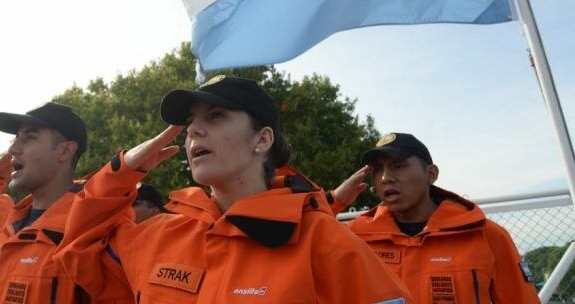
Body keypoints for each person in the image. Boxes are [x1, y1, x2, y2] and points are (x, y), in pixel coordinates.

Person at [57, 75, 412, 303]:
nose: (194, 131)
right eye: (191, 122)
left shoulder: (324, 242)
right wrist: (123, 170)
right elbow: (78, 246)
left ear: (262, 139)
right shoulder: (159, 235)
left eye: (215, 117)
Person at [0, 102, 131, 304]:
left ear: (65, 151)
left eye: (29, 138)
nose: (12, 149)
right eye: (15, 139)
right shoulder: (3, 226)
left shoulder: (95, 233)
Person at [332, 132, 541, 303]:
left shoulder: (486, 235)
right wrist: (333, 201)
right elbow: (300, 242)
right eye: (377, 170)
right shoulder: (353, 238)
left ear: (431, 174)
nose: (386, 177)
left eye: (398, 165)